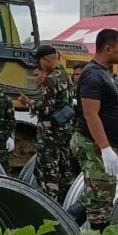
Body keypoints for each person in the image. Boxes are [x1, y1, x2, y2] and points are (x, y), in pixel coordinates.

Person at [70, 29, 118, 231]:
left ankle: (63, 229)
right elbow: (90, 114)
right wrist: (104, 148)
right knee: (99, 200)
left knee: (95, 194)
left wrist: (112, 144)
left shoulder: (103, 72)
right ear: (108, 48)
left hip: (102, 143)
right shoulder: (93, 75)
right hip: (92, 143)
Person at [20, 45, 75, 203]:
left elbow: (45, 108)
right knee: (65, 170)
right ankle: (66, 203)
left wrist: (29, 102)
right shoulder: (66, 76)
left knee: (48, 172)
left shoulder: (51, 80)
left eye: (40, 62)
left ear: (45, 60)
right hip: (64, 131)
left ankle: (51, 206)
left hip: (50, 134)